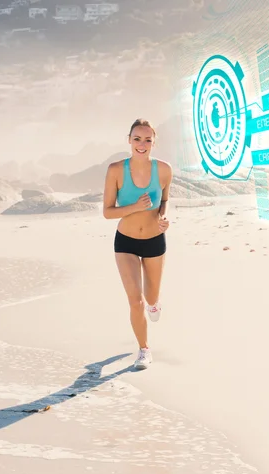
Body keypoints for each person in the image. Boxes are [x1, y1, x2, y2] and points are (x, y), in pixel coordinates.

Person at [103, 118, 173, 369]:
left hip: (155, 240)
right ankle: (144, 349)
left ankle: (155, 303)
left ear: (154, 142)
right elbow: (108, 212)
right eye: (137, 139)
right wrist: (134, 207)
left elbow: (164, 200)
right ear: (129, 140)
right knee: (136, 301)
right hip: (126, 242)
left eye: (147, 140)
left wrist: (163, 217)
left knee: (151, 297)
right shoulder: (115, 170)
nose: (141, 144)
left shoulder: (164, 170)